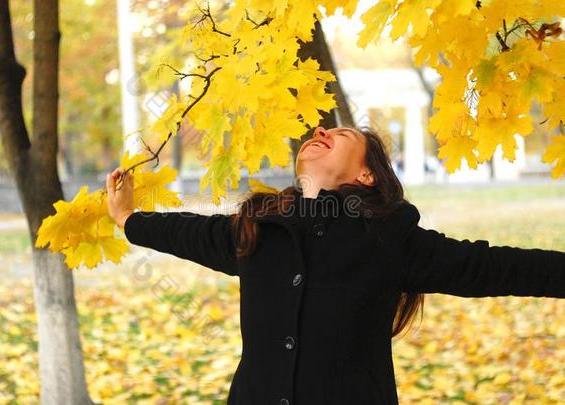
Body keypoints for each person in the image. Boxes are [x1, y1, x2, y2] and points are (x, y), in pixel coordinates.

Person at [106, 126, 565, 405]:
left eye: (341, 136)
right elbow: (189, 232)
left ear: (367, 175)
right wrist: (128, 219)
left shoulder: (388, 240)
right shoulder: (257, 231)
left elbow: (493, 266)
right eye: (320, 133)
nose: (320, 133)